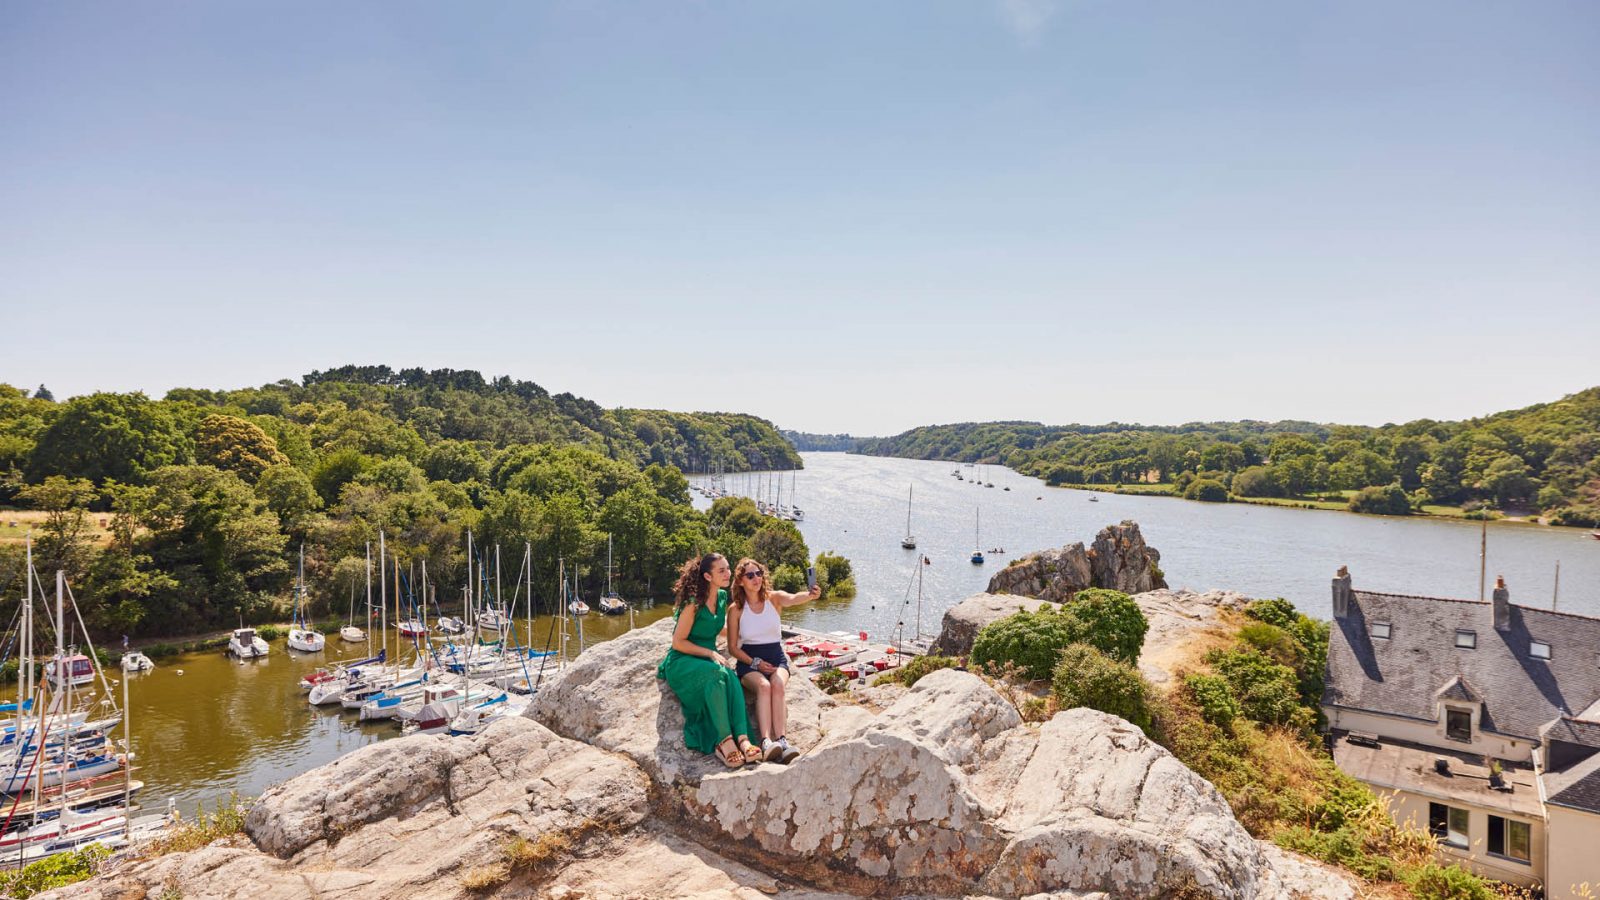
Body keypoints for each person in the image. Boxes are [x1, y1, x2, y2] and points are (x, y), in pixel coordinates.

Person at [657, 553, 761, 768]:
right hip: (684, 660)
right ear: (707, 576)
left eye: (728, 569)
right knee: (717, 673)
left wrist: (741, 635)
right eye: (721, 571)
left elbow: (715, 628)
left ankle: (742, 738)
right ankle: (724, 742)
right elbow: (678, 642)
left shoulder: (722, 598)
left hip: (706, 658)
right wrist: (710, 653)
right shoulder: (694, 603)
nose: (728, 574)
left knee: (730, 676)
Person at [726, 557, 820, 763]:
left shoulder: (773, 599)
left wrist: (810, 595)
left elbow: (793, 598)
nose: (756, 578)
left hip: (776, 656)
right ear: (741, 581)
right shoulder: (736, 609)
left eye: (759, 573)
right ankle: (766, 742)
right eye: (750, 575)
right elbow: (732, 647)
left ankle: (783, 741)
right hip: (748, 660)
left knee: (777, 684)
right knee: (763, 686)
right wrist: (755, 663)